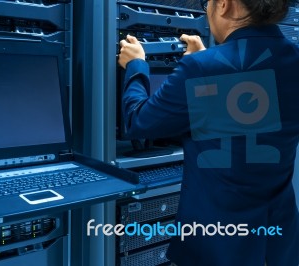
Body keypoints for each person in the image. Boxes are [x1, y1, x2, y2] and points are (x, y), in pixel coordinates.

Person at [118, 0, 299, 265]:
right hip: (278, 239)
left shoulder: (202, 68)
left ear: (225, 4)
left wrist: (137, 65)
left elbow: (138, 121)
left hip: (217, 244)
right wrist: (205, 68)